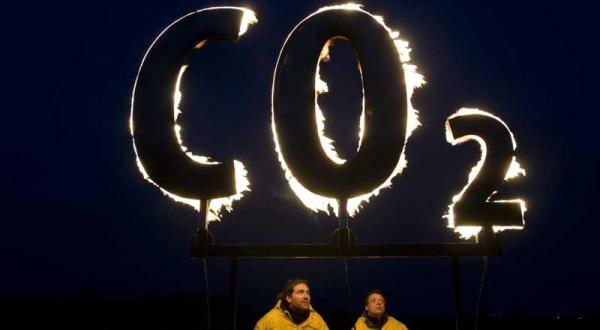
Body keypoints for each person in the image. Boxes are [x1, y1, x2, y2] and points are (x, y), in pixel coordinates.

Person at [255, 278, 330, 329]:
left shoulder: (317, 320)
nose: (306, 296)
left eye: (308, 293)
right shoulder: (269, 321)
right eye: (300, 292)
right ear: (289, 298)